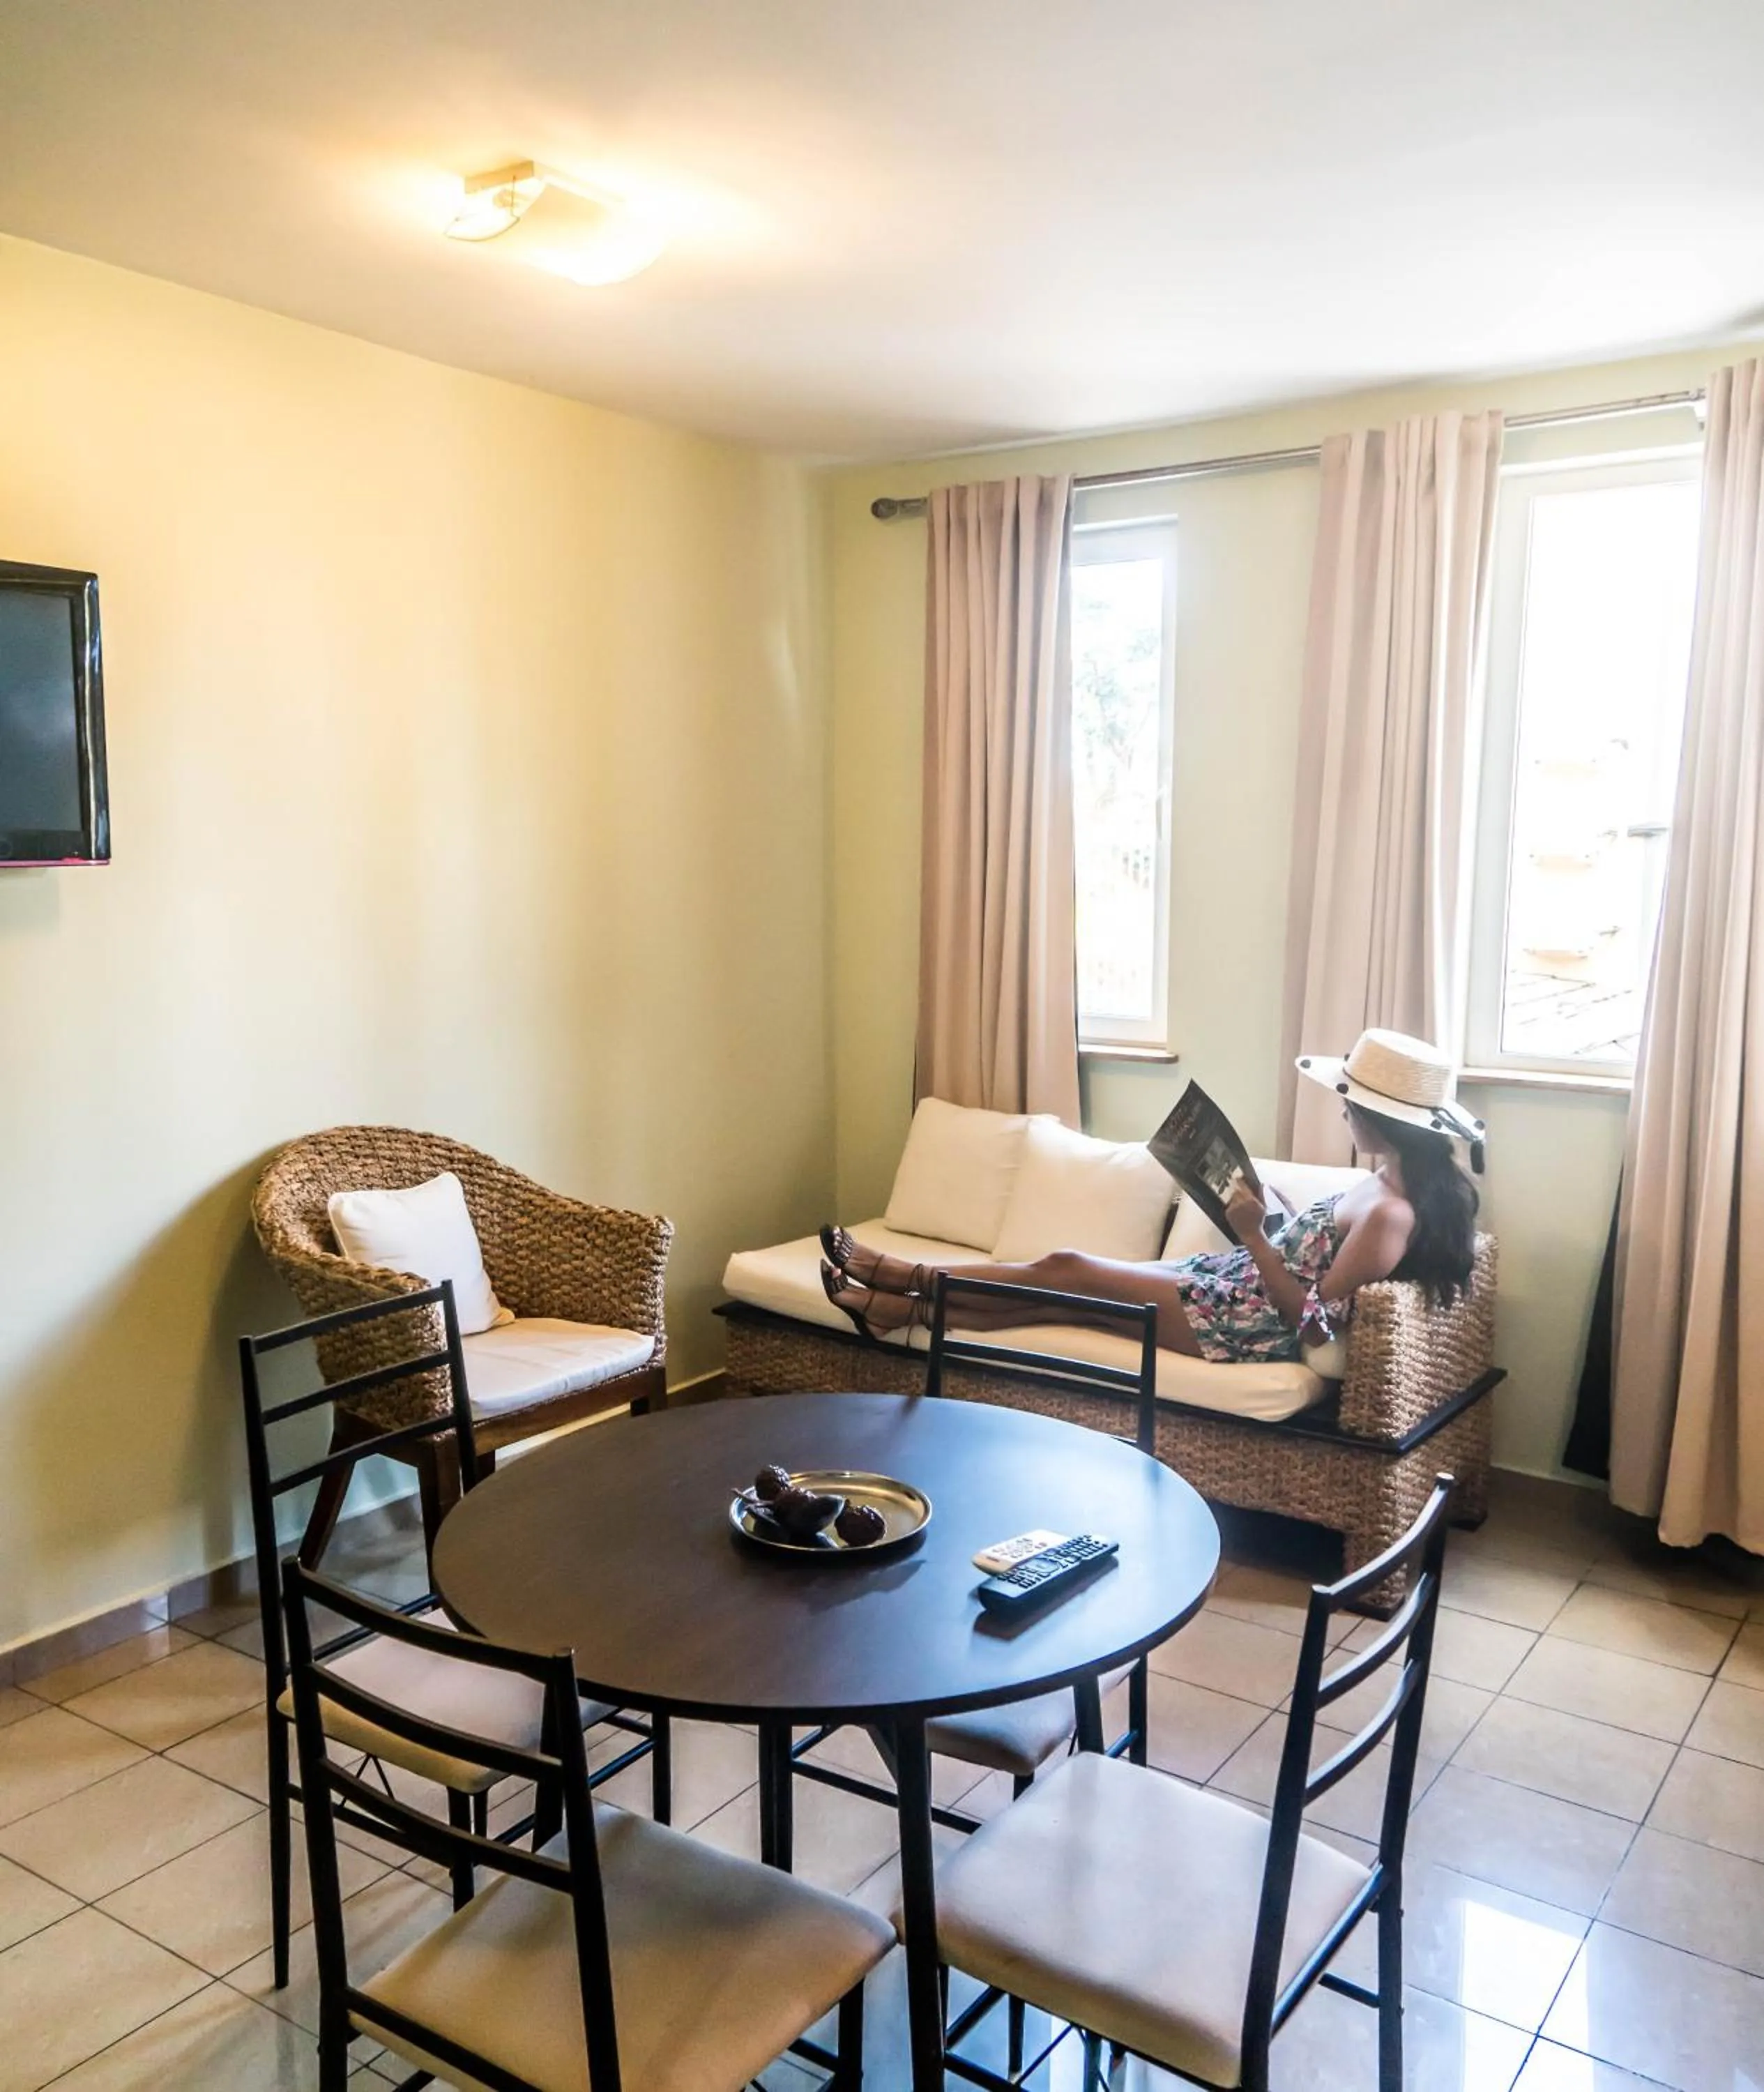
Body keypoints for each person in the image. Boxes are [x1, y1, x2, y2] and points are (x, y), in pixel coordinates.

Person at [819, 1029, 1483, 1362]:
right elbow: (1312, 1260)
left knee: (1066, 1269)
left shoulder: (1392, 1214)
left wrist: (1253, 1233)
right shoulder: (1384, 1179)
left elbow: (1311, 1325)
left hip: (1240, 1324)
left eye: (1351, 1102)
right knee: (1066, 1302)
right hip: (1228, 1285)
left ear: (1389, 1120)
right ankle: (899, 1312)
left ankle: (901, 1278)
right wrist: (1265, 1210)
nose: (1343, 1112)